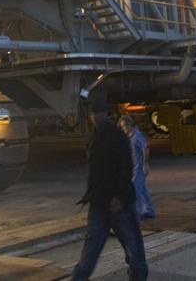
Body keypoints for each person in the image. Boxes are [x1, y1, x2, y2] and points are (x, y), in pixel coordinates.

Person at [72, 100, 148, 281]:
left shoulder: (114, 136)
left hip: (116, 202)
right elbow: (97, 172)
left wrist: (119, 197)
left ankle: (138, 275)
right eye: (92, 114)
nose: (94, 117)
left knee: (131, 246)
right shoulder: (97, 136)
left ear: (105, 114)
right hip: (102, 201)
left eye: (97, 113)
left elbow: (125, 167)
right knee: (98, 249)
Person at [119, 114, 155, 219]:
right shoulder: (130, 137)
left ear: (128, 125)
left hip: (139, 168)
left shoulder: (137, 136)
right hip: (134, 167)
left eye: (123, 127)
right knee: (142, 189)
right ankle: (149, 210)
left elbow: (145, 149)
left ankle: (137, 212)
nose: (123, 129)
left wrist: (145, 164)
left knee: (136, 189)